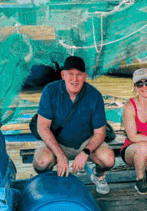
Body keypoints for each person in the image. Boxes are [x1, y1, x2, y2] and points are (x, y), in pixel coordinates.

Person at [33, 55, 115, 194]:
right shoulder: (50, 91)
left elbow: (100, 133)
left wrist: (85, 152)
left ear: (85, 76)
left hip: (85, 142)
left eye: (79, 74)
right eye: (70, 74)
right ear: (63, 75)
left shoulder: (94, 95)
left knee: (108, 159)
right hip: (57, 142)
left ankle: (98, 175)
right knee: (41, 162)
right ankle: (48, 183)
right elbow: (42, 127)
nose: (75, 79)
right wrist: (60, 155)